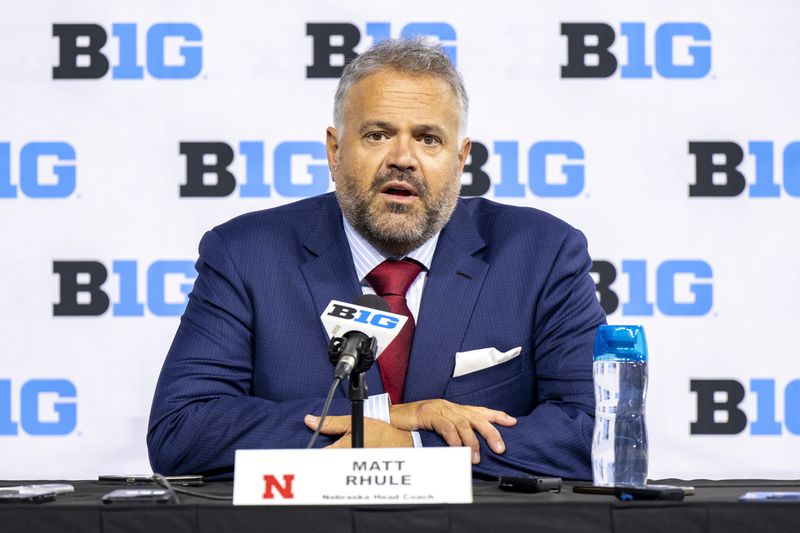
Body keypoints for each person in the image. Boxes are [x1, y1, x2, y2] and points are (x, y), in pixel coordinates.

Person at [147, 39, 606, 480]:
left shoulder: (542, 254)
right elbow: (182, 429)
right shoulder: (246, 254)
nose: (402, 158)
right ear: (335, 150)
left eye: (429, 139)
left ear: (461, 158)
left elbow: (596, 430)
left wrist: (412, 448)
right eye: (377, 134)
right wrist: (383, 419)